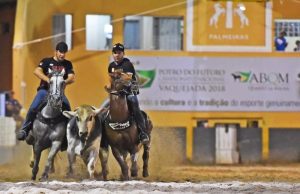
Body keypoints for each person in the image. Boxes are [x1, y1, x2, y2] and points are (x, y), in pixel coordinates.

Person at [17, 41, 75, 141]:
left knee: (68, 110)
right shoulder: (47, 61)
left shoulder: (67, 64)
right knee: (33, 107)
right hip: (44, 90)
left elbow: (72, 77)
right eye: (60, 52)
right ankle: (25, 129)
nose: (62, 54)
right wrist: (48, 80)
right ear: (56, 51)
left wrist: (63, 82)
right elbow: (36, 71)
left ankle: (69, 135)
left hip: (59, 92)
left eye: (64, 52)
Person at [106, 43, 149, 144]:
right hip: (117, 92)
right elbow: (110, 79)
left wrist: (118, 76)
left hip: (129, 91)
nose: (117, 55)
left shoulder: (127, 64)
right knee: (105, 108)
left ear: (123, 53)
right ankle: (104, 133)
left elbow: (128, 78)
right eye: (115, 53)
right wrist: (110, 86)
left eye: (119, 53)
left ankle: (143, 133)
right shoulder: (111, 66)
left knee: (135, 108)